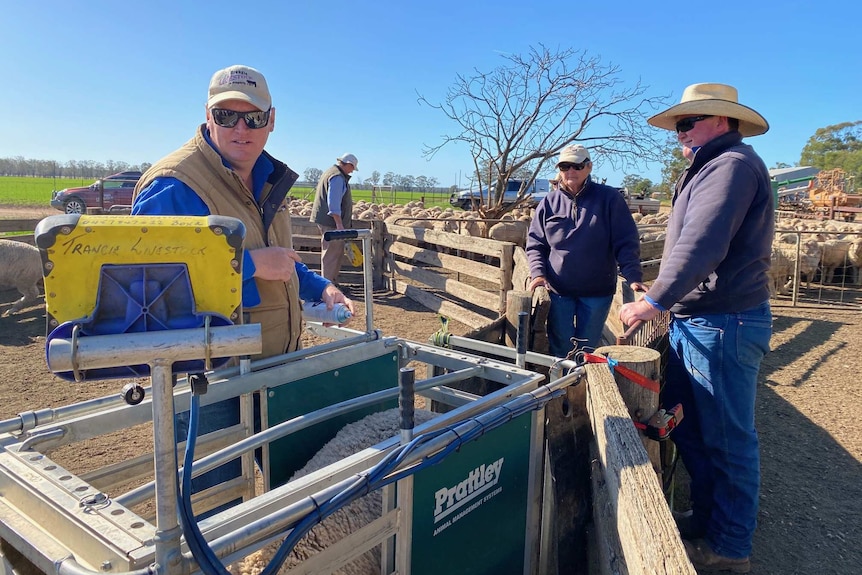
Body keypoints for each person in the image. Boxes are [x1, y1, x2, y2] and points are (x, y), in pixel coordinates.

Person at [132, 64, 353, 512]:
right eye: (227, 115)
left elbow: (279, 258)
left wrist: (320, 287)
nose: (241, 128)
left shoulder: (268, 177)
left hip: (274, 368)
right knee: (216, 511)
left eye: (252, 117)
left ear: (271, 120)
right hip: (209, 380)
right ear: (208, 117)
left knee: (288, 500)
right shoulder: (173, 185)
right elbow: (146, 290)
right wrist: (249, 266)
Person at [618, 83, 773, 573]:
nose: (680, 133)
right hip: (701, 318)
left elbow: (703, 243)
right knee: (695, 428)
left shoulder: (731, 166)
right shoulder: (710, 167)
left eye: (690, 122)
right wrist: (666, 295)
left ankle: (729, 547)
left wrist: (656, 300)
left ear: (723, 121)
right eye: (679, 125)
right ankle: (707, 519)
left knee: (727, 438)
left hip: (722, 321)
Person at [526, 145, 644, 357]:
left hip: (597, 289)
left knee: (587, 346)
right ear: (559, 169)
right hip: (558, 289)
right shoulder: (548, 203)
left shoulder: (609, 199)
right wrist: (538, 274)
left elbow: (625, 241)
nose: (571, 171)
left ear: (589, 167)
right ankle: (563, 385)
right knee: (560, 343)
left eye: (577, 165)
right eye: (565, 166)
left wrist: (633, 275)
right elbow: (536, 243)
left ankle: (582, 384)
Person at [310, 153, 358, 289]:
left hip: (328, 221)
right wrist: (339, 224)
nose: (352, 171)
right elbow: (334, 202)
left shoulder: (331, 172)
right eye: (352, 168)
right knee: (331, 254)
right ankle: (328, 286)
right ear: (348, 164)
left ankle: (332, 283)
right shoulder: (337, 177)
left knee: (334, 252)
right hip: (331, 223)